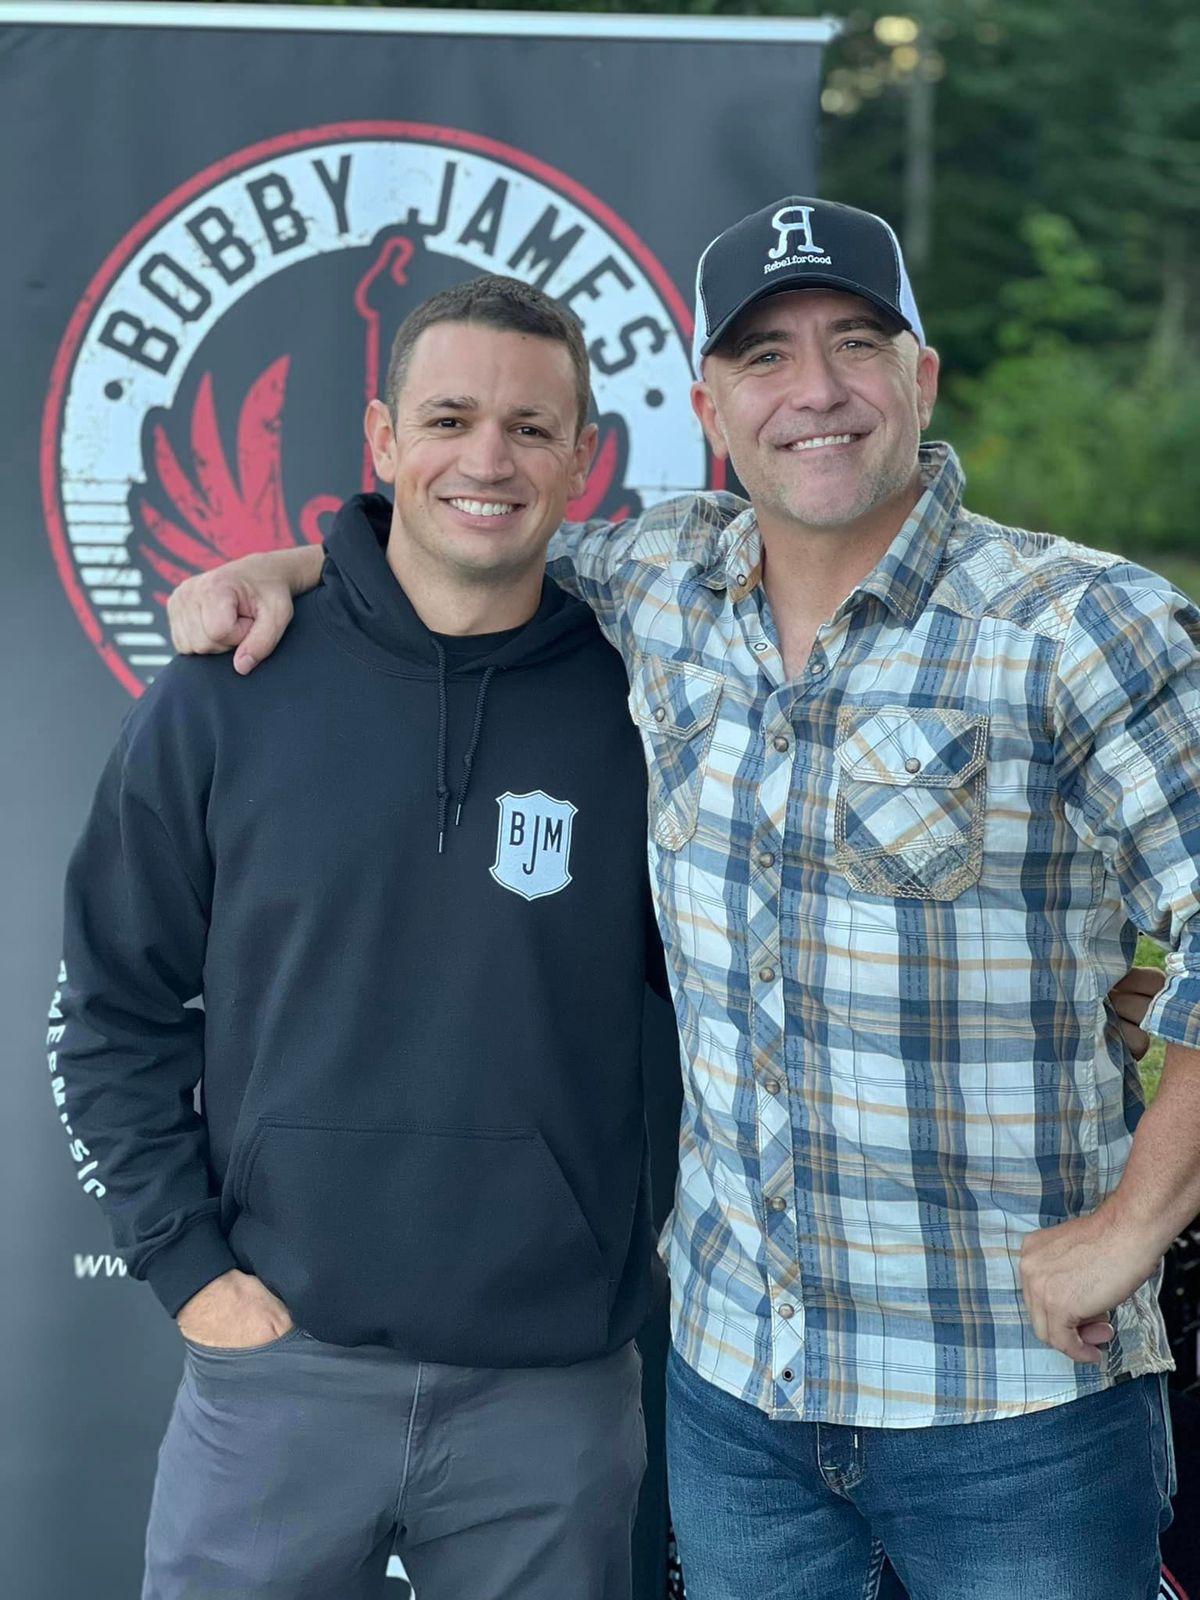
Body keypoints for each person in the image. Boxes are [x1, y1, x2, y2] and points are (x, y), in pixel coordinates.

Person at [167, 196, 1189, 1600]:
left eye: (857, 343)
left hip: (1013, 1405)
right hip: (736, 1404)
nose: (814, 390)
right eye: (765, 356)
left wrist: (1132, 1229)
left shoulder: (1080, 625)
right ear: (710, 408)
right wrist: (278, 572)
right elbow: (454, 541)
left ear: (923, 376)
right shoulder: (659, 580)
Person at [53, 275, 664, 1600]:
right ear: (383, 440)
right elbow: (108, 1011)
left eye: (530, 428)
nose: (488, 460)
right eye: (448, 419)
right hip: (280, 1377)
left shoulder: (652, 708)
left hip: (552, 1397)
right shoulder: (224, 697)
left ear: (583, 459)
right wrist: (196, 1277)